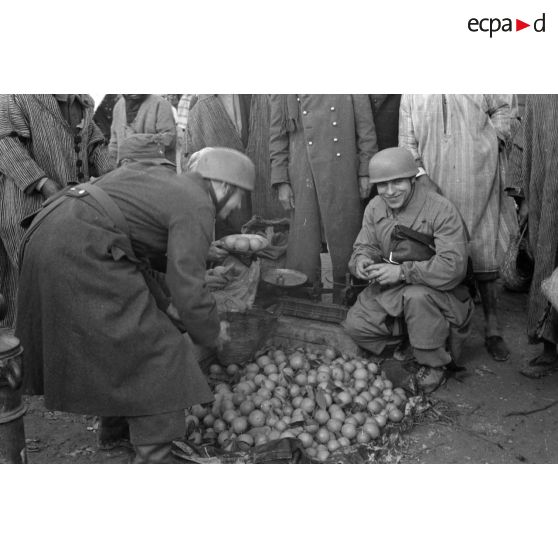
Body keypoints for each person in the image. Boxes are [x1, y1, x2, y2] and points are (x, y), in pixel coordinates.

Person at [16, 138, 255, 463]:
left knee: (119, 345)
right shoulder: (197, 202)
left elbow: (137, 256)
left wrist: (166, 302)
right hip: (78, 245)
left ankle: (116, 439)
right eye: (238, 196)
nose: (235, 207)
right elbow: (190, 289)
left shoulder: (166, 183)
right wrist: (213, 332)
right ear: (224, 184)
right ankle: (153, 454)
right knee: (157, 350)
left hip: (53, 230)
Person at [343, 148, 474, 393]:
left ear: (412, 179)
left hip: (440, 291)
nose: (390, 192)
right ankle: (412, 340)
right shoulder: (375, 207)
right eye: (382, 185)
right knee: (356, 326)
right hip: (394, 289)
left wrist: (403, 272)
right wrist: (361, 260)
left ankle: (434, 364)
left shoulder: (441, 209)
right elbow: (365, 244)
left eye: (398, 182)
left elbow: (453, 267)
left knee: (417, 296)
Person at [399, 94, 518, 361]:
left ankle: (492, 327)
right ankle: (439, 332)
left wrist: (493, 140)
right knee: (437, 253)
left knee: (484, 249)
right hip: (434, 184)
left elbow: (504, 108)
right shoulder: (411, 91)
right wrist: (421, 176)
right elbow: (407, 142)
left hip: (479, 177)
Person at [0, 94, 112, 328]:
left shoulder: (84, 103)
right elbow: (4, 144)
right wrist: (44, 184)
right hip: (27, 212)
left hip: (69, 212)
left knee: (64, 289)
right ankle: (20, 354)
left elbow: (94, 147)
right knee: (30, 289)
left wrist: (116, 179)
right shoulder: (18, 98)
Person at [269, 95, 378, 303]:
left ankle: (347, 299)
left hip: (342, 168)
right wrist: (281, 180)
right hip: (302, 172)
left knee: (345, 236)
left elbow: (366, 129)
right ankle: (303, 301)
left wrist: (365, 171)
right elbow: (277, 135)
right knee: (304, 242)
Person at [185, 94, 282, 236]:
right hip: (228, 213)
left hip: (267, 194)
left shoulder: (267, 98)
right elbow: (192, 162)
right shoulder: (201, 104)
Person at [518, 95, 558, 378]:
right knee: (548, 263)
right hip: (547, 192)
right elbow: (526, 139)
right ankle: (549, 347)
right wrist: (523, 195)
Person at [109, 94, 176, 165]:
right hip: (125, 170)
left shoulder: (161, 104)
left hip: (155, 170)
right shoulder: (118, 106)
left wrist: (133, 140)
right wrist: (112, 164)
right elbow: (114, 142)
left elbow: (169, 139)